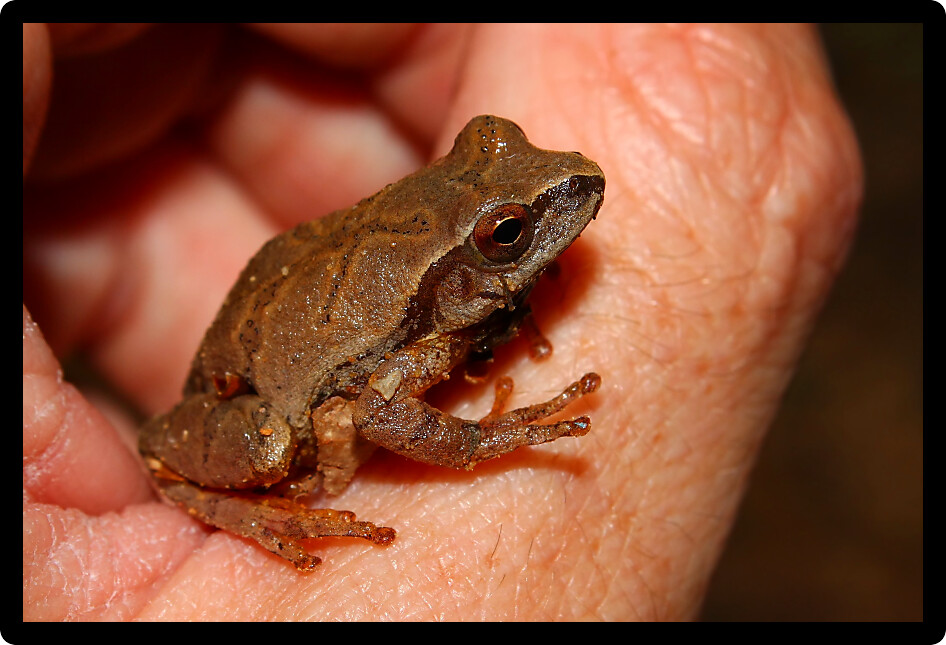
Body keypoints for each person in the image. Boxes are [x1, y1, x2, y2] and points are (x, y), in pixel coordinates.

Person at [22, 23, 863, 621]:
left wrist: (501, 293)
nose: (567, 185)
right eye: (510, 235)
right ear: (463, 270)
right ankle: (224, 498)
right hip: (267, 393)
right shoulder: (411, 335)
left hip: (325, 298)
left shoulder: (454, 292)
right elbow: (380, 407)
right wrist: (479, 444)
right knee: (277, 445)